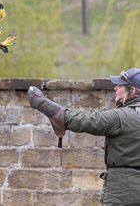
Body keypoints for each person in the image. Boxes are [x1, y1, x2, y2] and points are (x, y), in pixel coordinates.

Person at [28, 68, 140, 205]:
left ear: (133, 91)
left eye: (120, 85)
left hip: (124, 193)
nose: (116, 87)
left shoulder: (121, 117)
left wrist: (42, 103)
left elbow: (83, 120)